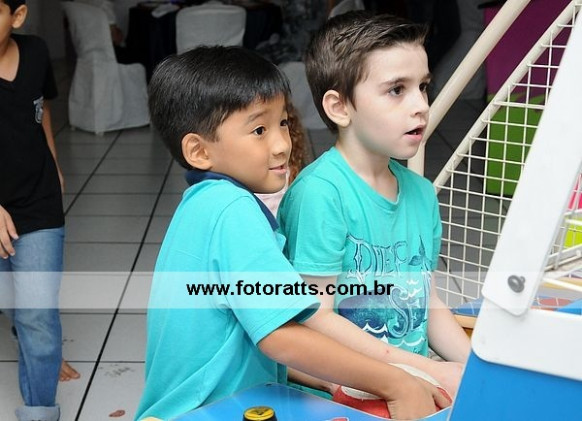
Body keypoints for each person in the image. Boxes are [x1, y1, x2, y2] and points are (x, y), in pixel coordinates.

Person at [134, 46, 450, 421]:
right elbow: (280, 337)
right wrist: (396, 382)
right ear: (200, 152)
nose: (283, 144)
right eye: (259, 130)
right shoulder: (232, 210)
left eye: (282, 122)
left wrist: (331, 381)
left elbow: (247, 337)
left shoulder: (202, 205)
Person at [277, 11, 471, 399]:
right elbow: (315, 318)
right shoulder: (320, 195)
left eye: (423, 87)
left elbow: (427, 301)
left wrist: (478, 369)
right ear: (340, 107)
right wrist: (430, 371)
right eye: (397, 89)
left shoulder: (420, 194)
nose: (420, 105)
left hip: (413, 388)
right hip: (342, 396)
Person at [0, 0, 72, 419]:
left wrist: (54, 161)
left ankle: (40, 409)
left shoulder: (36, 52)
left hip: (38, 200)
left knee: (37, 313)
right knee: (16, 305)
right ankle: (36, 347)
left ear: (18, 16)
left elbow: (38, 108)